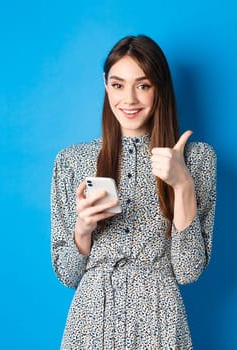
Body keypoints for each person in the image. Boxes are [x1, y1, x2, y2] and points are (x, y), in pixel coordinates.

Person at [50, 35, 216, 349]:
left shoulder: (197, 159)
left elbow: (188, 270)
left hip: (160, 319)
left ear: (160, 87)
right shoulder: (71, 161)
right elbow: (67, 275)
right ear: (105, 84)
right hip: (90, 323)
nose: (129, 99)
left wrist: (182, 184)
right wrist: (83, 229)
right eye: (117, 85)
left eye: (142, 85)